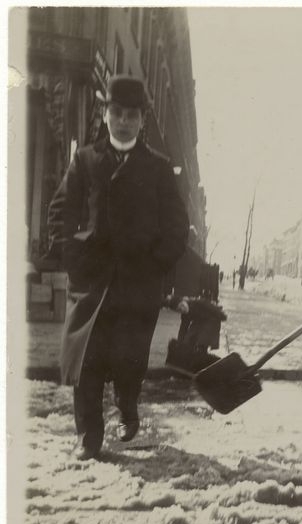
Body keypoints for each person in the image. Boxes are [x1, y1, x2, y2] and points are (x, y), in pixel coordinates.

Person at [46, 76, 189, 460]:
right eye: (116, 113)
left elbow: (177, 227)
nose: (123, 122)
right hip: (91, 281)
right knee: (86, 359)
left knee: (128, 359)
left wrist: (154, 265)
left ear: (142, 120)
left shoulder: (158, 168)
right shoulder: (86, 160)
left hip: (137, 285)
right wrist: (72, 258)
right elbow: (61, 212)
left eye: (131, 115)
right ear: (105, 114)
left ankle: (128, 406)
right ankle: (87, 437)